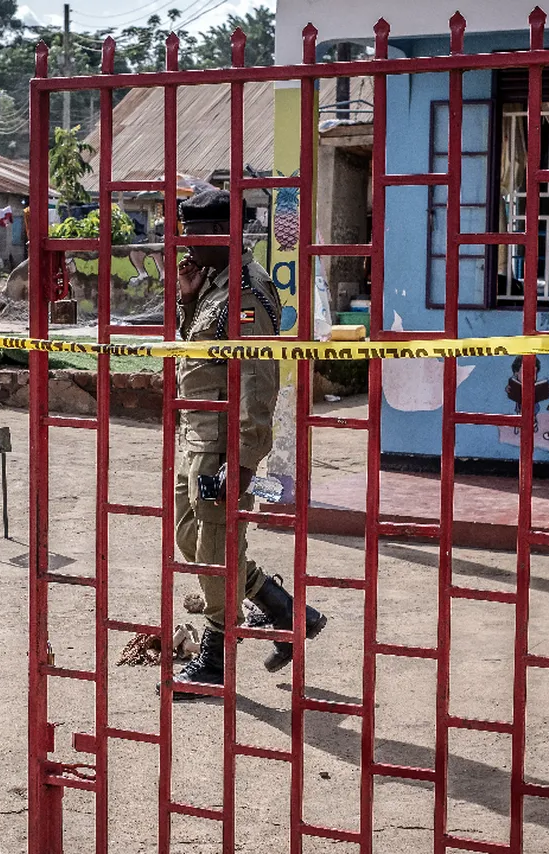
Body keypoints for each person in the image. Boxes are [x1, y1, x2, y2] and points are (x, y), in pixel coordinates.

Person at [169, 188, 327, 694]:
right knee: (191, 540)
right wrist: (188, 298)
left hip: (222, 443)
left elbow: (258, 385)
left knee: (214, 547)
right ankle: (286, 612)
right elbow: (195, 350)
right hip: (197, 434)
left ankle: (217, 659)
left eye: (194, 236)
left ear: (225, 235)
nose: (186, 246)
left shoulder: (244, 292)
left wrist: (240, 465)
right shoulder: (214, 283)